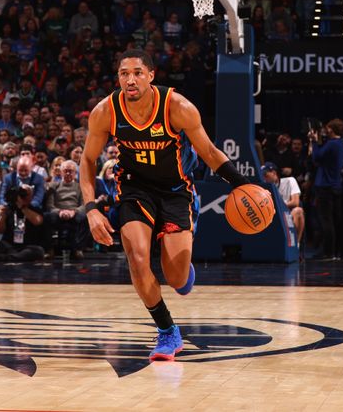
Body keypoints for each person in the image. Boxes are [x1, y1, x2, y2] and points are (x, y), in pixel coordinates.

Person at [79, 49, 264, 361]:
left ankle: (183, 270)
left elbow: (208, 150)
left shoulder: (177, 107)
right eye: (124, 73)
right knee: (137, 258)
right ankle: (167, 330)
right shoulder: (105, 111)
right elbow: (87, 159)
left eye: (137, 72)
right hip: (134, 189)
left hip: (175, 190)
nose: (130, 79)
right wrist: (91, 209)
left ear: (151, 75)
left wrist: (243, 185)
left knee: (176, 278)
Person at [308, 119, 343, 259]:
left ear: (332, 129)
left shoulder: (331, 144)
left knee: (326, 220)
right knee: (335, 219)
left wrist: (313, 141)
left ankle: (328, 252)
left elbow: (317, 157)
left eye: (328, 128)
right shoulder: (341, 143)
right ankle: (338, 251)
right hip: (336, 185)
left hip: (325, 186)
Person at [261, 161, 305, 259]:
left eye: (266, 175)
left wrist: (278, 205)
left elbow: (295, 202)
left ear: (274, 173)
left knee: (298, 211)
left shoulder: (290, 181)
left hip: (287, 214)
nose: (264, 178)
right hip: (272, 216)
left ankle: (296, 246)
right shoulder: (263, 187)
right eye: (262, 176)